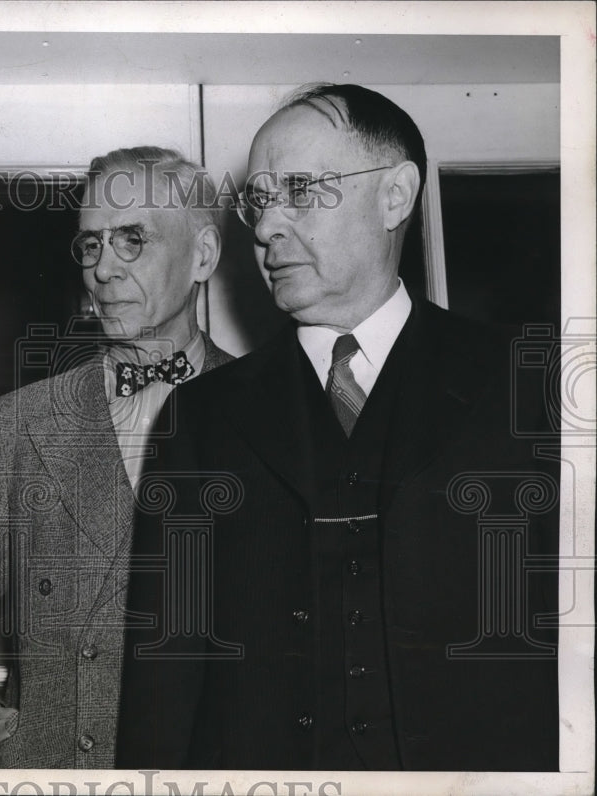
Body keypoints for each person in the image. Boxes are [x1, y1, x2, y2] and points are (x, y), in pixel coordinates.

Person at [116, 84, 559, 771]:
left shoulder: (531, 388)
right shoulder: (200, 417)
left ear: (395, 196)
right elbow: (162, 685)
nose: (264, 227)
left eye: (297, 188)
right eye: (258, 201)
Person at [0, 147, 233, 768]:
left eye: (131, 239)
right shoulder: (15, 428)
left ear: (203, 255)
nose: (102, 269)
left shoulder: (273, 412)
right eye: (90, 245)